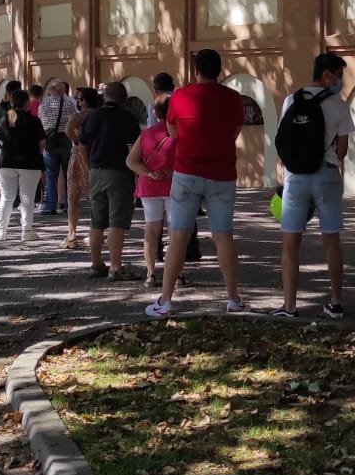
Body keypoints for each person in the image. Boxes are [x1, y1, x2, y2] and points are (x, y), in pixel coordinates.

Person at [150, 49, 245, 318]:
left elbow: (173, 132)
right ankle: (233, 299)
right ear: (220, 70)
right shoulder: (233, 98)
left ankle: (165, 301)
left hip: (187, 173)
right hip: (222, 175)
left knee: (178, 237)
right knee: (223, 237)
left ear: (195, 70)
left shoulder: (180, 96)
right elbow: (234, 132)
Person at [276, 52, 355, 319]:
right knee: (331, 239)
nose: (341, 81)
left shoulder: (291, 100)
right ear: (327, 74)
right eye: (340, 75)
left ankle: (289, 306)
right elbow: (342, 151)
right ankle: (335, 302)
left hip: (295, 177)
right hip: (327, 176)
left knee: (290, 242)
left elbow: (284, 140)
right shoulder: (338, 105)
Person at [79, 80, 143, 279]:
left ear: (105, 97)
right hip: (119, 173)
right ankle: (115, 267)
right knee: (117, 221)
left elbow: (82, 145)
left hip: (95, 172)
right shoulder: (128, 119)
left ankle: (96, 264)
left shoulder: (92, 116)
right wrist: (137, 175)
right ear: (124, 99)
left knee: (97, 221)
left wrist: (88, 168)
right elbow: (133, 150)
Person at [128, 93, 188, 288]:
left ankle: (151, 274)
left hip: (149, 186)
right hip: (175, 186)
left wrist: (149, 173)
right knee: (175, 232)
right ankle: (177, 274)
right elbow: (188, 162)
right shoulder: (181, 133)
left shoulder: (146, 134)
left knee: (151, 231)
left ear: (155, 112)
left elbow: (131, 161)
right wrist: (170, 172)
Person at [0, 88, 46, 242]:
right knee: (27, 197)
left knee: (7, 197)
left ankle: (1, 232)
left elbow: (0, 139)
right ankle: (26, 231)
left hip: (7, 161)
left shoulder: (6, 118)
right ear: (26, 103)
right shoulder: (34, 120)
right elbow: (42, 143)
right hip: (30, 162)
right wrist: (38, 155)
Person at [63, 87, 101, 249]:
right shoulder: (99, 115)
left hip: (78, 157)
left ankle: (72, 234)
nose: (78, 102)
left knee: (73, 197)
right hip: (95, 156)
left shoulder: (79, 116)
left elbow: (67, 129)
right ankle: (95, 232)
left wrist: (77, 141)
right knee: (95, 198)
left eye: (80, 99)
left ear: (85, 101)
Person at [37, 80, 78, 217]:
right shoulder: (70, 104)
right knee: (68, 174)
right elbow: (74, 120)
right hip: (65, 139)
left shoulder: (44, 105)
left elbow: (41, 121)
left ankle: (50, 206)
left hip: (50, 141)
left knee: (51, 175)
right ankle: (68, 204)